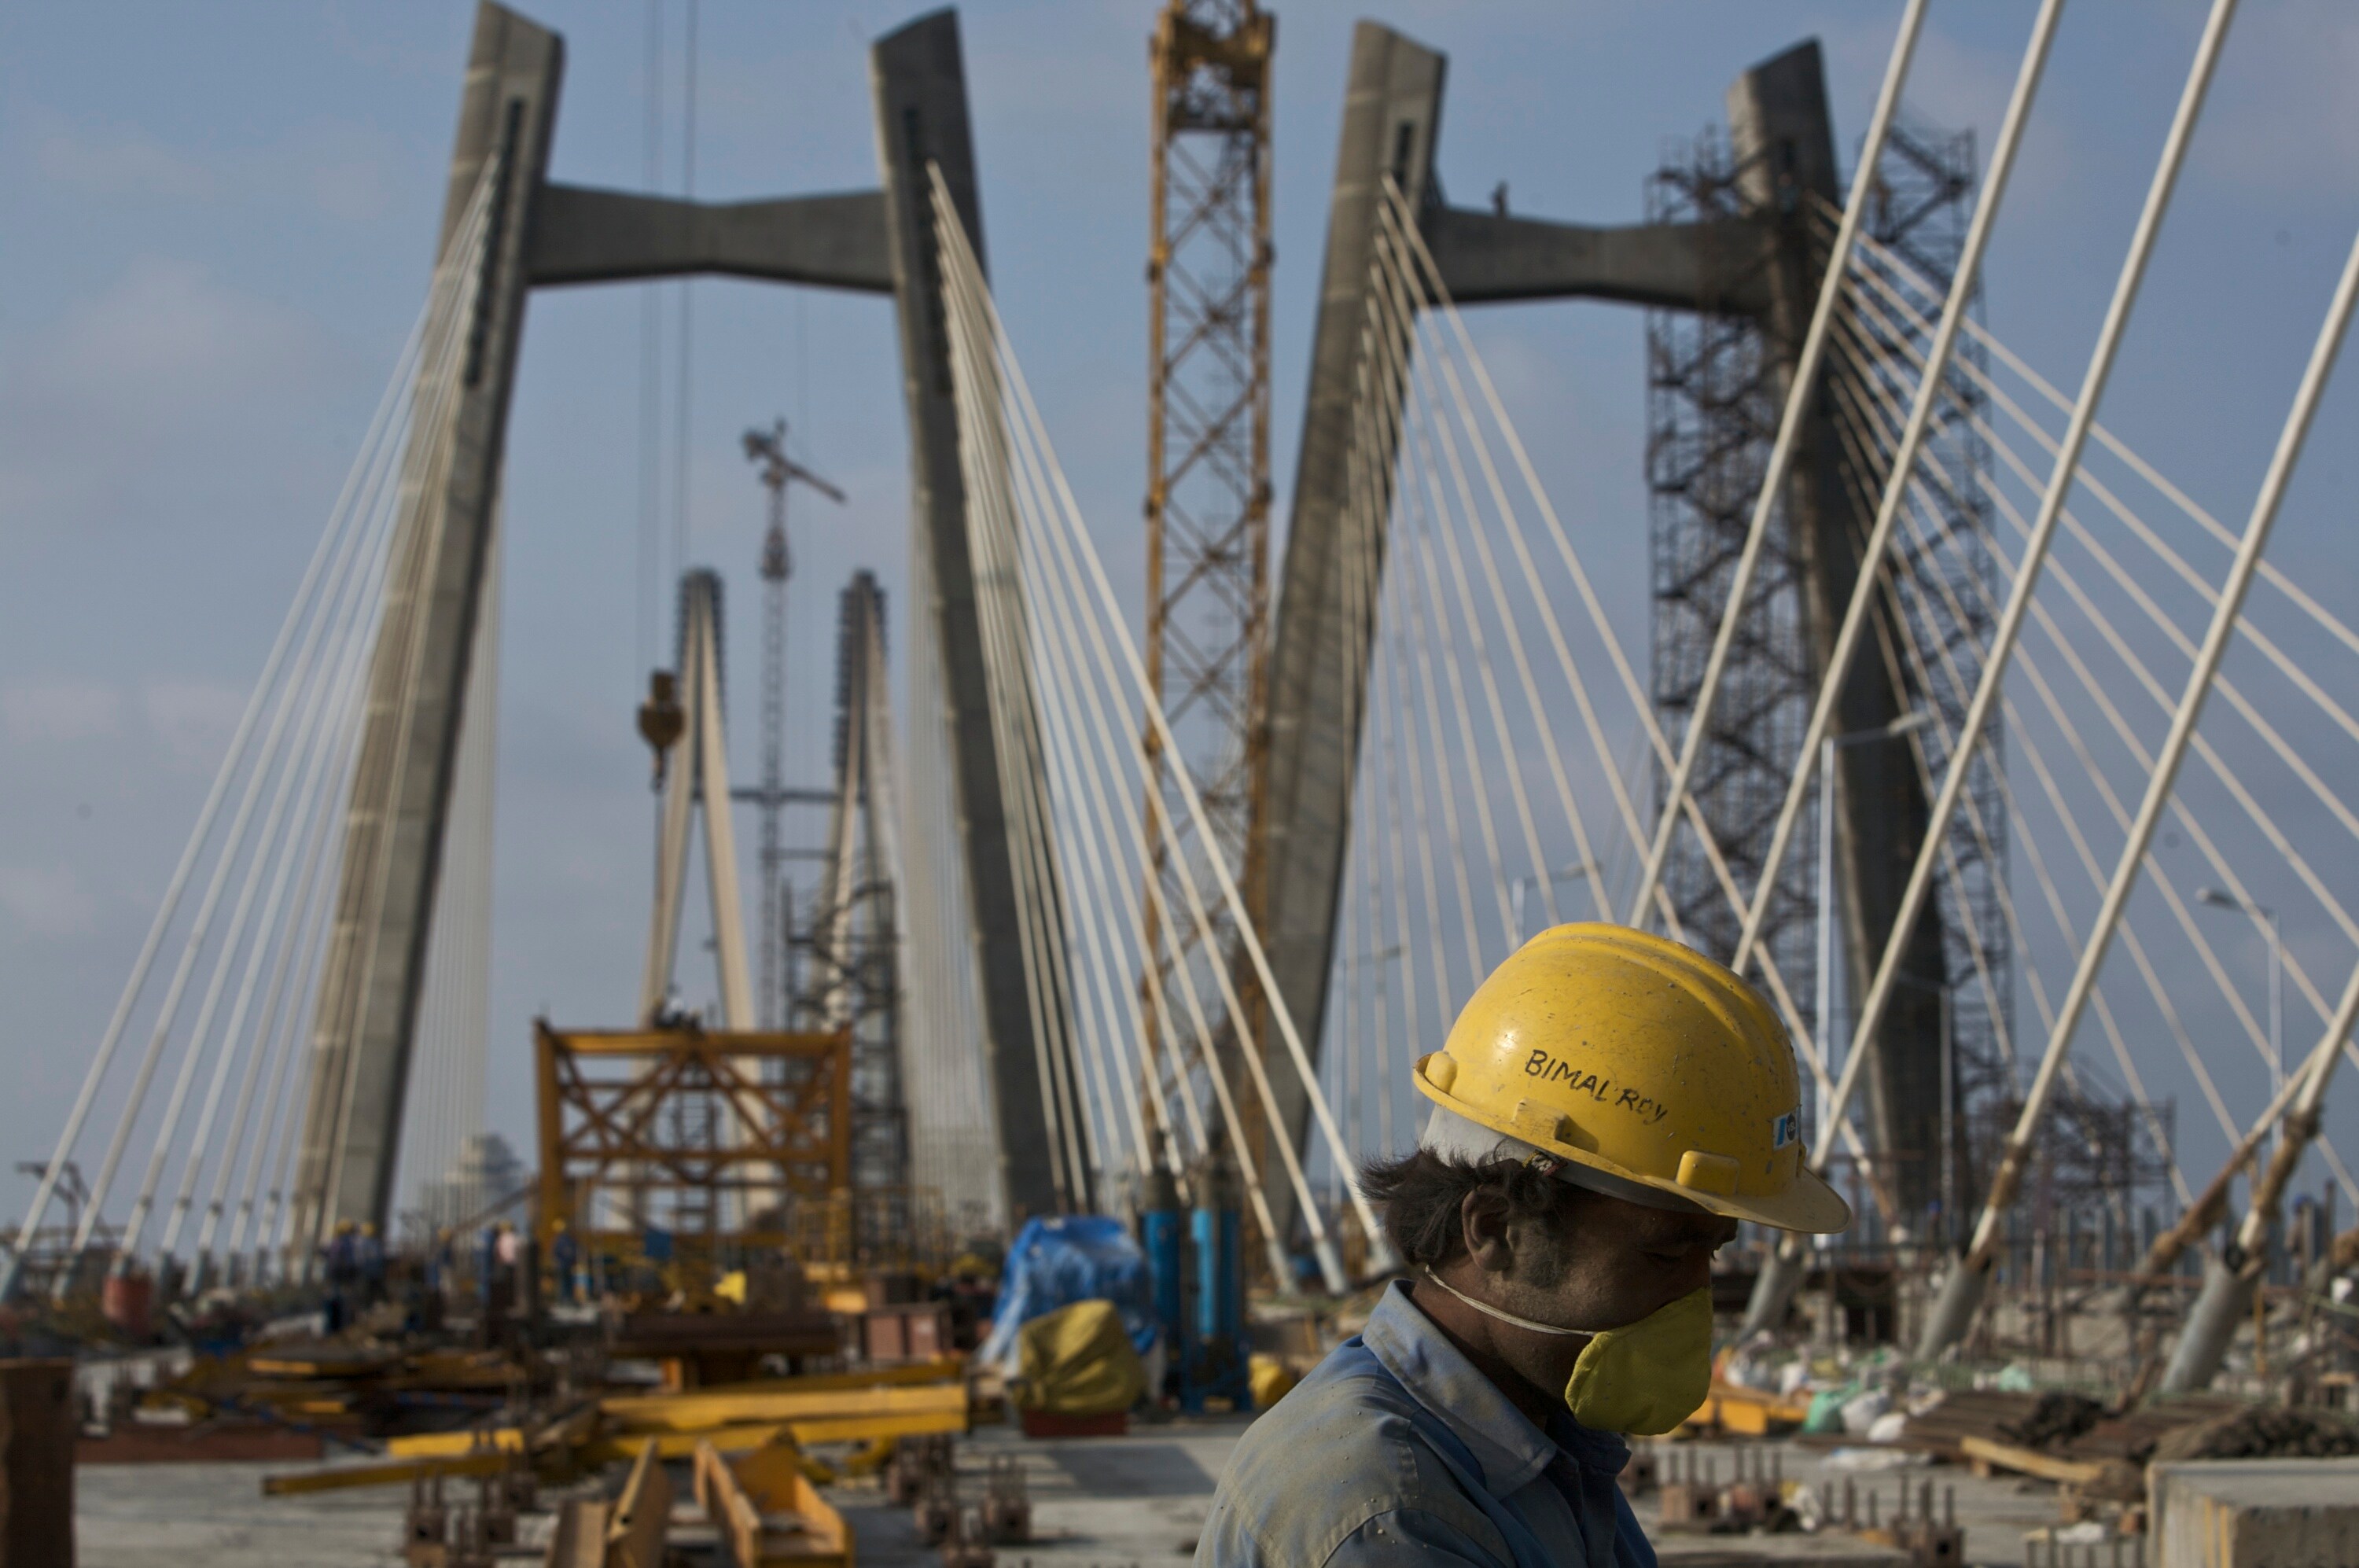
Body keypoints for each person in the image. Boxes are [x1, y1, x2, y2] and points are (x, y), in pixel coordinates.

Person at [1198, 924, 1851, 1568]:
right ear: (1495, 1231)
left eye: (1711, 1253)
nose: (1694, 1299)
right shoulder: (1394, 1514)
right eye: (1665, 1254)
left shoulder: (1536, 1443)